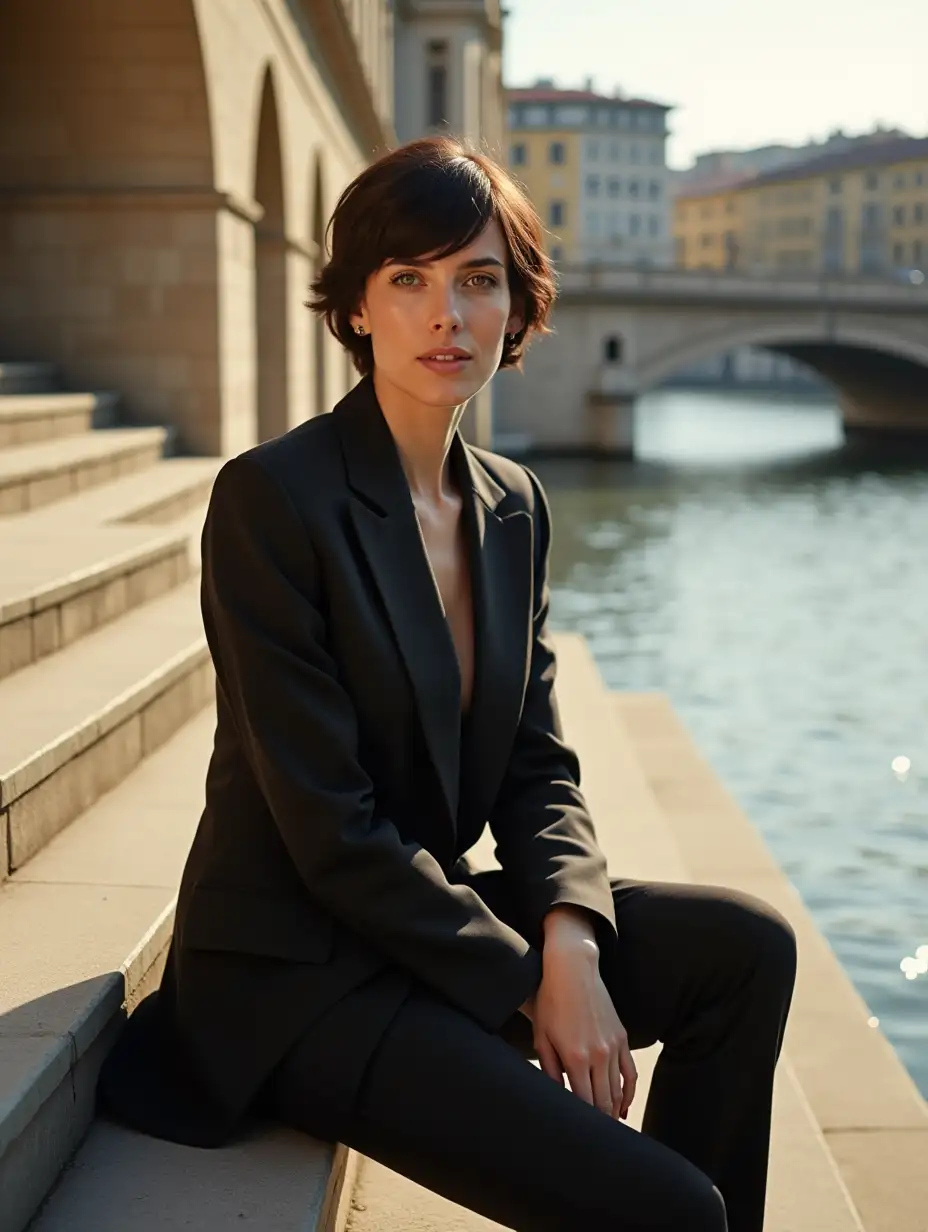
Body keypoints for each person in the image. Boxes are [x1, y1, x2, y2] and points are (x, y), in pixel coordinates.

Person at [97, 134, 797, 1232]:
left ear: (517, 308)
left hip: (425, 928)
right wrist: (529, 979)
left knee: (746, 947)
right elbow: (329, 827)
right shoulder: (273, 500)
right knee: (671, 1209)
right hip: (297, 973)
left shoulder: (512, 503)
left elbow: (535, 761)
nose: (448, 315)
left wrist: (569, 928)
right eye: (409, 280)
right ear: (359, 306)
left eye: (478, 280)